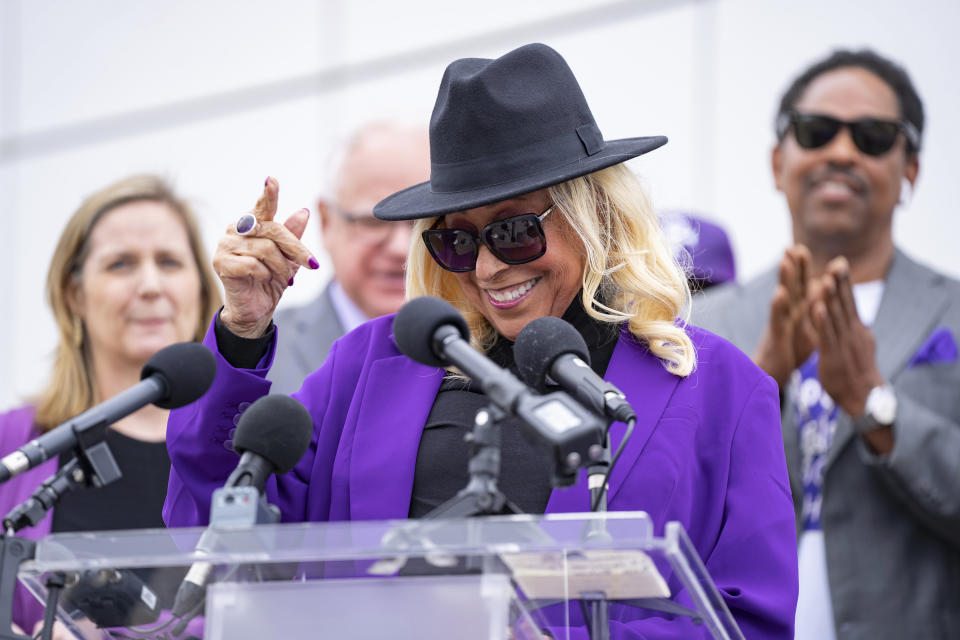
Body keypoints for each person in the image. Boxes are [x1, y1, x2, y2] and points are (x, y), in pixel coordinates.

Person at [164, 43, 798, 637]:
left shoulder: (721, 390)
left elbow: (751, 620)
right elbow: (218, 528)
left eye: (516, 231)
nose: (490, 268)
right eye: (458, 240)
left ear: (594, 215)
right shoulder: (370, 365)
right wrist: (243, 332)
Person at [692, 49, 960, 639]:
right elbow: (669, 507)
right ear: (776, 160)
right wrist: (761, 382)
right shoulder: (701, 325)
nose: (841, 152)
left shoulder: (953, 312)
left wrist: (874, 403)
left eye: (872, 136)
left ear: (910, 168)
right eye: (816, 132)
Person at [0, 174, 221, 636]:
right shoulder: (14, 445)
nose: (150, 285)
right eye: (121, 264)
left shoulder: (244, 451)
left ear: (201, 289)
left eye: (170, 262)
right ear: (73, 293)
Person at [269, 121, 430, 394]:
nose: (401, 248)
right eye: (374, 221)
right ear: (327, 221)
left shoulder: (483, 346)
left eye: (422, 222)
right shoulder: (262, 354)